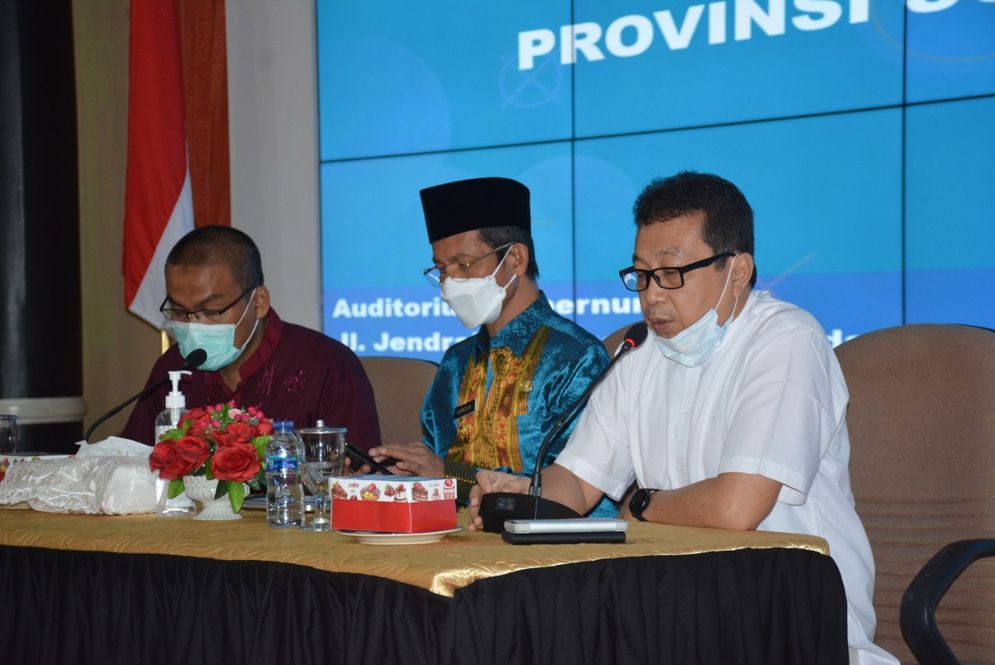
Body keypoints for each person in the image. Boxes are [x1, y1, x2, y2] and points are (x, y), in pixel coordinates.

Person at [467, 172, 897, 664]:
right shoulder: (638, 354)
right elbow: (579, 484)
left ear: (737, 270)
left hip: (793, 622)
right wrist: (527, 496)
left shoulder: (787, 340)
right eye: (641, 276)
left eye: (671, 273)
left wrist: (644, 504)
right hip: (678, 616)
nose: (652, 296)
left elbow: (737, 508)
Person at [368, 177, 616, 517]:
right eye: (441, 270)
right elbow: (434, 466)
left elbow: (580, 491)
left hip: (545, 557)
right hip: (452, 543)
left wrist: (448, 475)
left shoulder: (576, 358)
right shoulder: (456, 363)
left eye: (464, 265)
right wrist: (400, 475)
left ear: (515, 258)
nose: (449, 284)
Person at [122, 226, 381, 450]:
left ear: (258, 303)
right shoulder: (173, 368)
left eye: (210, 312)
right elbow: (134, 461)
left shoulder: (327, 366)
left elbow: (360, 482)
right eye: (179, 311)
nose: (193, 326)